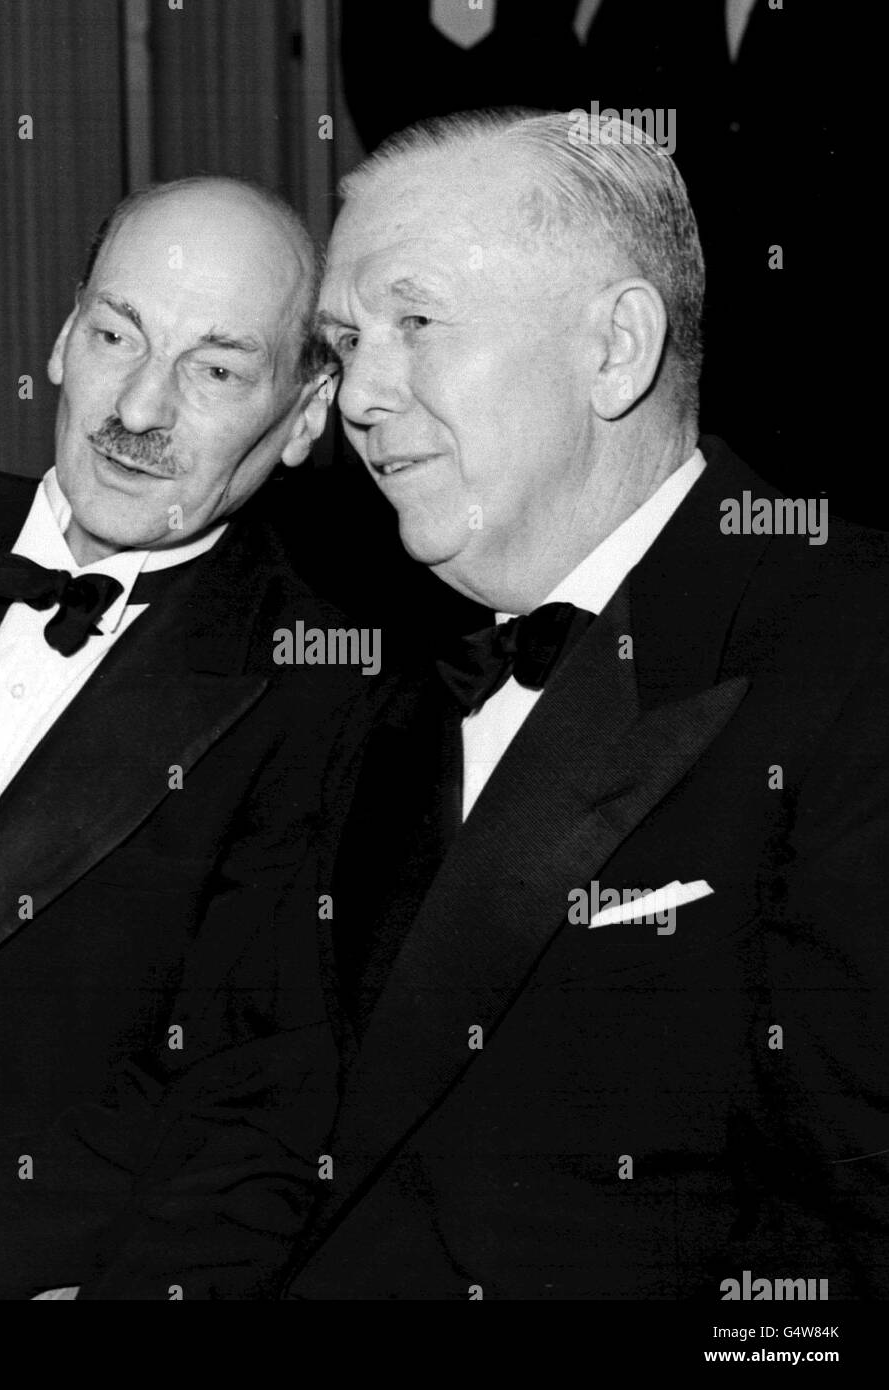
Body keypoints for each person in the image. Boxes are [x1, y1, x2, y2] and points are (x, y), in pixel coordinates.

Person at [278, 110, 889, 1299]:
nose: (360, 395)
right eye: (348, 342)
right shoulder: (374, 679)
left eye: (416, 322)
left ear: (615, 348)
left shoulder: (853, 647)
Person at [0, 175, 366, 1299]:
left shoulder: (319, 691)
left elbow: (234, 1089)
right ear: (61, 335)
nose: (138, 410)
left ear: (306, 415)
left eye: (219, 370)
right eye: (114, 335)